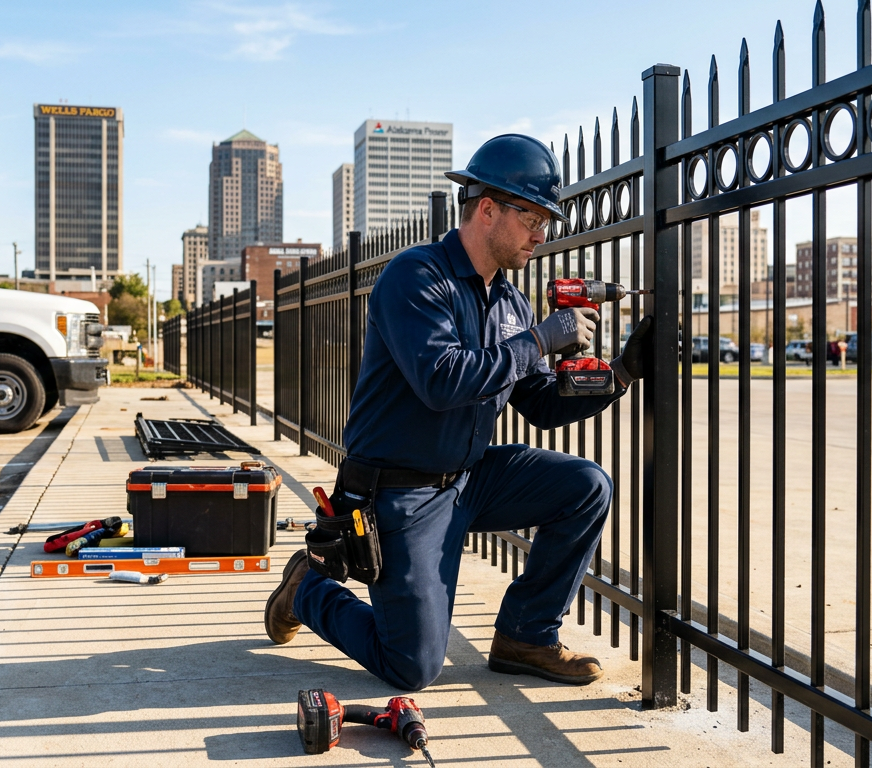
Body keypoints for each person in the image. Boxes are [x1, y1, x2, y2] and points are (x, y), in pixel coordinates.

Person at [264, 134, 653, 691]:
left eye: (547, 221)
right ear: (488, 209)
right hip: (401, 491)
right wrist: (539, 341)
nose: (541, 234)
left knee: (586, 486)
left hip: (469, 477)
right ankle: (308, 589)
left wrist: (619, 374)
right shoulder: (416, 278)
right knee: (413, 667)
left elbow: (539, 404)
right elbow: (442, 381)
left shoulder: (511, 303)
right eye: (533, 218)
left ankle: (527, 635)